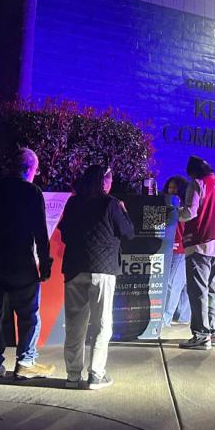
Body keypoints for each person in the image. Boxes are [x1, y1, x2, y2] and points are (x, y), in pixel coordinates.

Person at [0, 147, 55, 380]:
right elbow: (40, 231)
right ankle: (26, 363)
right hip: (20, 262)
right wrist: (45, 264)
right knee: (29, 314)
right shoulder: (31, 192)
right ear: (29, 169)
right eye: (35, 170)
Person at [58, 164, 134, 390]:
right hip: (103, 270)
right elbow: (128, 232)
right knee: (102, 324)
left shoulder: (73, 202)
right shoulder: (111, 204)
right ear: (104, 182)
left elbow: (65, 233)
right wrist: (124, 210)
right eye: (109, 180)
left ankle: (72, 376)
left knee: (74, 326)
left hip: (74, 270)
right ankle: (96, 375)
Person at [178, 156, 215, 350]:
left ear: (193, 172)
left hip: (201, 242)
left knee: (197, 290)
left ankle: (201, 335)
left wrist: (174, 212)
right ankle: (213, 332)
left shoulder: (197, 183)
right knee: (212, 289)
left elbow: (190, 212)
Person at [161, 175, 191, 327]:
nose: (171, 190)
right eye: (169, 187)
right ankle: (184, 316)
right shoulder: (164, 204)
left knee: (173, 283)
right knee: (177, 283)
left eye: (175, 188)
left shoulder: (187, 207)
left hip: (182, 249)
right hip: (168, 248)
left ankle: (166, 318)